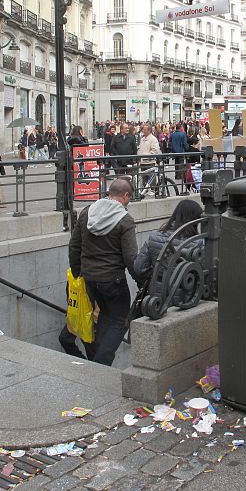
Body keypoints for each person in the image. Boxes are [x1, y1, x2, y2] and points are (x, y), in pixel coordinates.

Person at [68, 178, 139, 366]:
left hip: (89, 278)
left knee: (106, 316)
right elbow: (131, 259)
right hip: (113, 280)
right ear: (125, 196)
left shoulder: (87, 213)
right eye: (129, 199)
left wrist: (78, 273)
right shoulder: (125, 220)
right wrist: (141, 281)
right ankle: (101, 362)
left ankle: (96, 359)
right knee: (120, 319)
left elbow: (74, 246)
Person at [134, 199, 204, 280]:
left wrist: (156, 276)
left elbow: (139, 268)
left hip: (157, 289)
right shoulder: (197, 243)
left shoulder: (153, 237)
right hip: (185, 290)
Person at [137, 123, 161, 197]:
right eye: (143, 129)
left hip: (150, 161)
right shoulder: (142, 139)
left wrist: (148, 156)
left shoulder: (153, 139)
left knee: (151, 177)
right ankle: (145, 190)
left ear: (149, 130)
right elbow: (140, 149)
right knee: (144, 177)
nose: (143, 131)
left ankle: (153, 190)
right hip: (143, 161)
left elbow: (155, 150)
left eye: (144, 129)